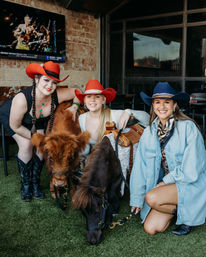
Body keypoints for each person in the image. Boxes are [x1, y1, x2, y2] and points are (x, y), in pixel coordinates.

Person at [130, 82, 206, 236]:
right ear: (152, 106)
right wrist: (136, 198)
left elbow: (192, 168)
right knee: (150, 228)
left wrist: (164, 182)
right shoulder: (149, 132)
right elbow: (140, 167)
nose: (162, 107)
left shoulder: (188, 128)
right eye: (157, 102)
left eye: (167, 102)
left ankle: (192, 211)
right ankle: (183, 211)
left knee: (151, 197)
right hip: (167, 188)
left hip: (190, 183)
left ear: (175, 105)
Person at [0, 61, 81, 202]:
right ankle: (26, 185)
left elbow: (78, 92)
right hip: (14, 119)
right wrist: (35, 137)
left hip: (36, 120)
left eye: (54, 82)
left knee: (43, 144)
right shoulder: (21, 100)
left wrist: (74, 107)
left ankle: (35, 182)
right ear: (36, 79)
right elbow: (15, 126)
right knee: (27, 145)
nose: (50, 86)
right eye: (46, 80)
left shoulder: (56, 95)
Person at [74, 79, 150, 192]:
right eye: (89, 96)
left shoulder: (114, 115)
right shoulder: (81, 118)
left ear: (104, 100)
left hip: (113, 161)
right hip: (96, 160)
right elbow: (86, 148)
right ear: (84, 100)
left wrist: (129, 111)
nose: (93, 100)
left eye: (97, 97)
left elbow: (147, 118)